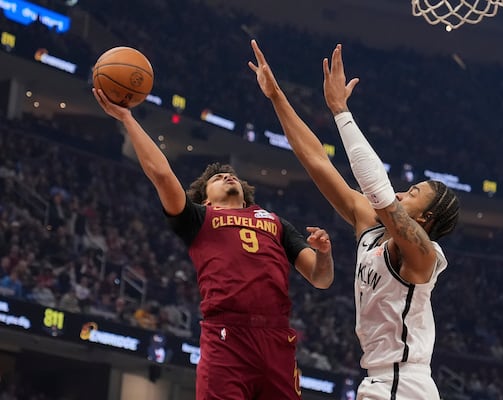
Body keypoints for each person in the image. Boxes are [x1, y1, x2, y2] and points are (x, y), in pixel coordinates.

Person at [92, 88, 335, 400]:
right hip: (226, 336)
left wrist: (324, 254)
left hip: (276, 337)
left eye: (230, 175)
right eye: (218, 178)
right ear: (206, 197)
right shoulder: (197, 217)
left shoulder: (274, 222)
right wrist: (127, 118)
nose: (227, 177)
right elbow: (162, 174)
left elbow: (321, 278)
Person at [249, 40, 459, 399]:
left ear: (424, 218)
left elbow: (376, 188)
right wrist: (277, 97)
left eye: (412, 193)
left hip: (402, 384)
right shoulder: (371, 226)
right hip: (381, 380)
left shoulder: (423, 255)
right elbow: (317, 161)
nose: (400, 192)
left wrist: (340, 111)